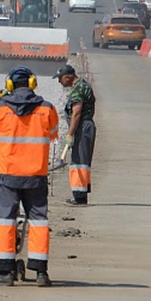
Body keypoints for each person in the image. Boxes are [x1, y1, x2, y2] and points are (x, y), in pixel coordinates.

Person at [0, 66, 59, 287]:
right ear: (32, 83)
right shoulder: (47, 109)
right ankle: (41, 273)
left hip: (6, 175)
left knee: (6, 221)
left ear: (9, 85)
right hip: (35, 176)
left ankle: (5, 271)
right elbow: (53, 133)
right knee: (39, 221)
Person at [54, 64, 96, 206]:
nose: (60, 82)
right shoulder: (82, 85)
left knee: (79, 162)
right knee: (80, 161)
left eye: (60, 79)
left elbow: (76, 113)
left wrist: (70, 134)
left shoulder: (78, 88)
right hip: (83, 126)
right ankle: (80, 194)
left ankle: (79, 196)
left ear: (68, 77)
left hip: (82, 127)